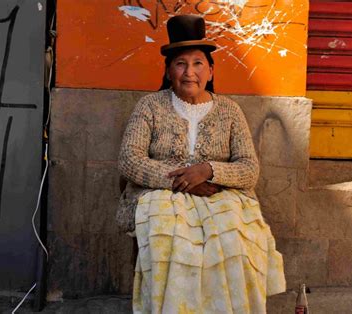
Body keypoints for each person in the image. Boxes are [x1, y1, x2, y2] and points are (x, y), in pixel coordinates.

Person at [118, 14, 286, 313]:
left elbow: (249, 168)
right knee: (171, 239)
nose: (189, 72)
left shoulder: (230, 111)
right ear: (169, 71)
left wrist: (209, 170)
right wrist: (183, 181)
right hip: (162, 194)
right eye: (180, 63)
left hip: (219, 193)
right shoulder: (149, 106)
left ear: (210, 69)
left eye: (197, 63)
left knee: (233, 239)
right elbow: (130, 160)